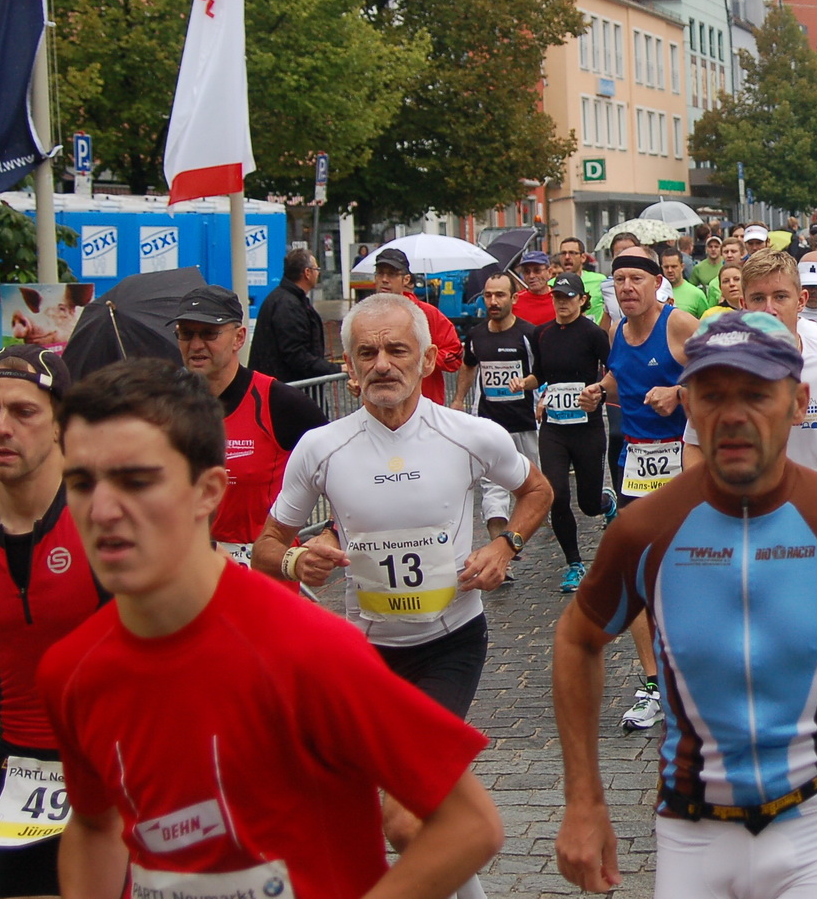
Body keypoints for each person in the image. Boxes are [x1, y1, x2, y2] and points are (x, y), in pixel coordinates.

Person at [43, 359, 504, 899]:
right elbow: (96, 826)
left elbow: (470, 825)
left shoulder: (307, 650)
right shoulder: (70, 669)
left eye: (136, 481)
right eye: (80, 482)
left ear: (208, 492)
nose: (102, 510)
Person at [552, 311, 817, 899]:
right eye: (713, 395)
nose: (735, 415)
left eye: (756, 394)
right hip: (692, 826)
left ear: (798, 403)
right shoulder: (647, 528)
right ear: (688, 405)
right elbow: (576, 639)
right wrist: (584, 798)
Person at [255, 294, 548, 899]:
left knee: (407, 816)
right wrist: (295, 559)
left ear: (427, 360)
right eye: (368, 353)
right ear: (348, 365)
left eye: (397, 350)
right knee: (406, 820)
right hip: (364, 658)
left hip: (450, 646)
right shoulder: (323, 447)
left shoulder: (470, 434)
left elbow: (537, 491)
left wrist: (503, 548)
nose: (383, 364)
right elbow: (267, 543)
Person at [0, 348, 104, 897]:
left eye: (23, 412)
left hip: (119, 769)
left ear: (60, 424)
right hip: (22, 779)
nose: (1, 427)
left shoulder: (107, 516)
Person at [578, 248, 700, 732]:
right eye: (619, 279)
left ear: (657, 284)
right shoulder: (616, 332)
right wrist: (598, 389)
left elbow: (721, 377)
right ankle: (654, 683)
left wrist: (679, 393)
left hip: (686, 464)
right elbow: (620, 378)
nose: (626, 287)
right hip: (635, 467)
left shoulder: (680, 325)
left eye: (635, 279)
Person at [684, 252, 817, 502]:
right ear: (743, 304)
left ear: (801, 300)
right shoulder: (721, 370)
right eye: (758, 298)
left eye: (780, 297)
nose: (769, 309)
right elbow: (694, 444)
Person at [172, 287, 327, 566]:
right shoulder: (166, 406)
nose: (195, 345)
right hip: (191, 572)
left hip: (262, 573)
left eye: (208, 333)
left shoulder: (279, 402)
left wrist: (330, 533)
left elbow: (344, 470)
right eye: (186, 333)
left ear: (239, 338)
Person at [452, 272, 544, 561]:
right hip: (490, 423)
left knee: (530, 483)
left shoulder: (529, 334)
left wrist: (534, 389)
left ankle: (516, 535)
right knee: (492, 486)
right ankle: (499, 550)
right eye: (488, 295)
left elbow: (542, 372)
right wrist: (457, 400)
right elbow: (468, 366)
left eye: (499, 295)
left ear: (514, 298)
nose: (493, 301)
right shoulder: (477, 335)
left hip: (527, 423)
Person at [530, 274, 612, 593]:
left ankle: (607, 502)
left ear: (582, 300)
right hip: (554, 429)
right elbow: (541, 373)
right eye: (557, 297)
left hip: (587, 429)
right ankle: (574, 563)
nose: (561, 303)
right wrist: (529, 385)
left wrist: (599, 395)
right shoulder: (543, 333)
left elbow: (612, 373)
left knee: (589, 504)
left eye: (568, 297)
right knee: (556, 494)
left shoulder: (594, 334)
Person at [370, 247, 464, 406]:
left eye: (392, 274)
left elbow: (455, 355)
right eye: (380, 273)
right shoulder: (366, 317)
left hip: (423, 409)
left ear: (406, 279)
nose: (385, 279)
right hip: (380, 411)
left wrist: (421, 359)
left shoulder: (428, 314)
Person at [248, 247, 335, 383]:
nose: (318, 274)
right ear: (307, 272)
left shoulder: (287, 299)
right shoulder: (287, 304)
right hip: (285, 389)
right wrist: (333, 369)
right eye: (316, 270)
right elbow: (296, 354)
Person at [560, 237, 606, 324]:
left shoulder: (600, 280)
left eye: (572, 253)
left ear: (583, 257)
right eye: (563, 253)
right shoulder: (552, 285)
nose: (567, 257)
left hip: (595, 335)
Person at [511, 249, 560, 326]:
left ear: (549, 272)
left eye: (537, 270)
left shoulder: (561, 298)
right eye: (527, 271)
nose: (531, 276)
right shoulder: (515, 301)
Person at [661, 250, 709, 318]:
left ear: (682, 267)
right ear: (662, 267)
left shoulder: (697, 294)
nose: (670, 270)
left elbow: (707, 324)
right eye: (666, 267)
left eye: (674, 266)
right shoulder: (654, 292)